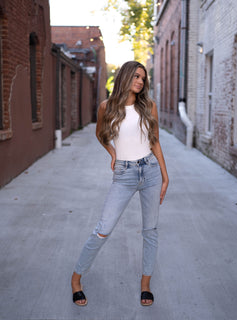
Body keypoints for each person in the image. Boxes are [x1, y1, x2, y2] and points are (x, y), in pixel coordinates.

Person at [71, 61, 169, 307]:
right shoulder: (107, 107)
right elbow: (100, 134)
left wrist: (165, 176)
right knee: (103, 228)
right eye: (136, 76)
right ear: (125, 76)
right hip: (124, 174)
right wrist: (113, 153)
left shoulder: (149, 106)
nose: (140, 81)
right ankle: (76, 279)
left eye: (143, 78)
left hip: (150, 171)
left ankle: (145, 286)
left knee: (150, 230)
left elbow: (154, 141)